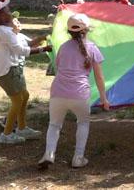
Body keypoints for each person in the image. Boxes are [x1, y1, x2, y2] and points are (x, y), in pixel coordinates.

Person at [38, 14, 109, 170]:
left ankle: (49, 153)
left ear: (69, 31)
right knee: (83, 123)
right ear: (87, 29)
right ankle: (78, 157)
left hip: (58, 92)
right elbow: (99, 77)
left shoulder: (63, 47)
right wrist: (104, 99)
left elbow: (58, 68)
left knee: (54, 125)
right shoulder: (92, 48)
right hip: (80, 94)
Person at [0, 0, 52, 144]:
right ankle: (7, 134)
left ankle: (22, 128)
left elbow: (28, 42)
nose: (10, 11)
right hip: (7, 71)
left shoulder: (10, 30)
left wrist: (45, 37)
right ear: (1, 16)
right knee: (17, 100)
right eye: (6, 10)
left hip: (15, 69)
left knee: (24, 96)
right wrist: (43, 49)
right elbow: (21, 50)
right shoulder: (3, 31)